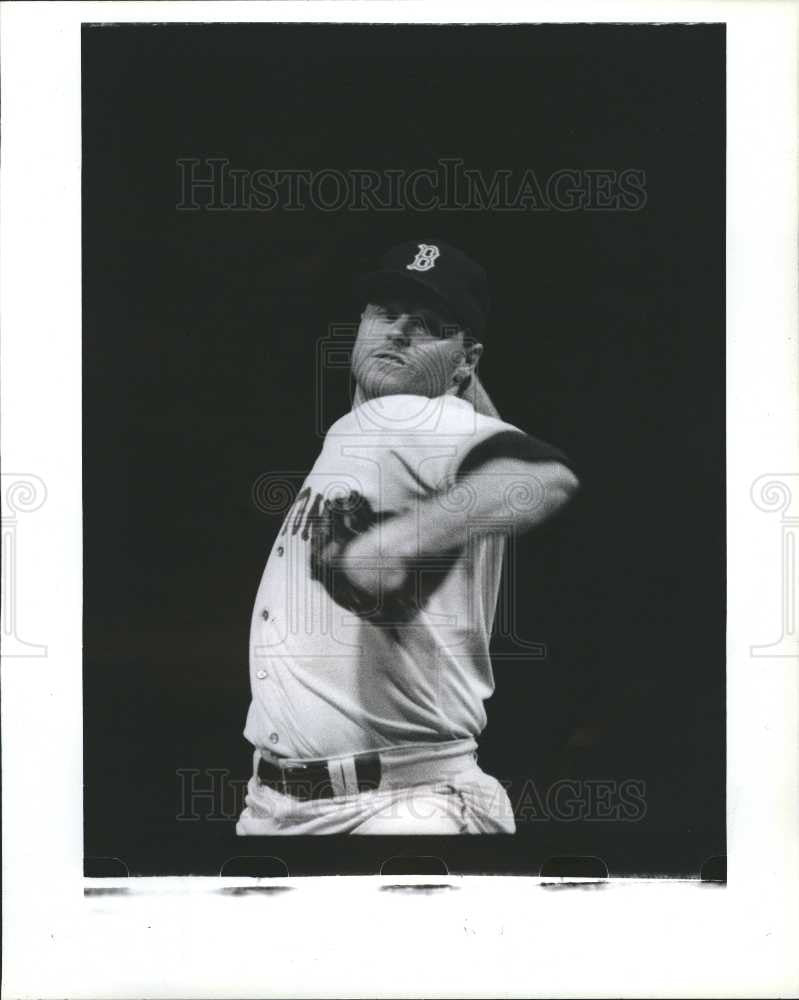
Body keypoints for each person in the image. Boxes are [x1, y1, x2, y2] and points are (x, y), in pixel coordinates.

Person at [236, 239, 579, 835]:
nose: (397, 333)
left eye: (427, 326)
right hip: (279, 806)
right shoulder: (362, 428)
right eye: (384, 313)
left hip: (400, 808)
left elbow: (542, 477)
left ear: (467, 359)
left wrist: (398, 542)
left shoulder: (417, 417)